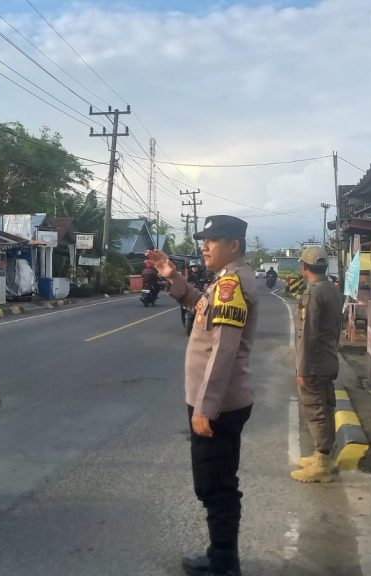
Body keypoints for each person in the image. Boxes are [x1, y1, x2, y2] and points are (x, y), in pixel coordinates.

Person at [148, 214, 256, 576]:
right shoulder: (225, 282)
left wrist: (205, 408)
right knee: (215, 480)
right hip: (217, 401)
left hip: (219, 404)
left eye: (213, 240)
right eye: (204, 240)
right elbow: (199, 307)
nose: (204, 246)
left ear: (234, 246)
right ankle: (220, 555)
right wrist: (171, 275)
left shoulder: (232, 285)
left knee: (217, 484)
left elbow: (223, 349)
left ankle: (224, 562)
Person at [291, 245, 343, 483]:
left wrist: (301, 369)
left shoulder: (313, 293)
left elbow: (308, 333)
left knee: (315, 410)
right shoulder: (332, 290)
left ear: (304, 267)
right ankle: (323, 456)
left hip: (314, 362)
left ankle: (322, 463)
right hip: (328, 358)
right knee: (326, 407)